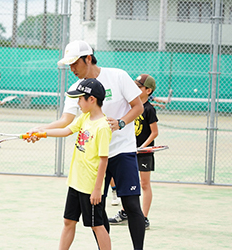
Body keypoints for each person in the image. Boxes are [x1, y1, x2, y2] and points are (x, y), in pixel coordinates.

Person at [28, 40, 146, 250]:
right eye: (69, 65)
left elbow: (138, 107)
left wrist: (121, 123)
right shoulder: (77, 89)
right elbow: (66, 122)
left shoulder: (118, 76)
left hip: (122, 151)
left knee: (131, 205)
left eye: (75, 63)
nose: (71, 69)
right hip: (94, 160)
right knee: (97, 213)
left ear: (88, 59)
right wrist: (39, 130)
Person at [37, 78, 112, 250]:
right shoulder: (84, 117)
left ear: (91, 99)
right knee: (69, 221)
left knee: (96, 225)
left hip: (90, 186)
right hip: (76, 182)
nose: (78, 103)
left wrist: (97, 189)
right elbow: (65, 131)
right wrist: (42, 132)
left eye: (80, 99)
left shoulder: (102, 127)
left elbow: (103, 160)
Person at [109, 74, 159, 230]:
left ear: (148, 90)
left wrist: (142, 147)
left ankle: (143, 217)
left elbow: (154, 132)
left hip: (144, 152)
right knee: (128, 183)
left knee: (144, 184)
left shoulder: (149, 109)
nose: (135, 89)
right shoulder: (130, 106)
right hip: (128, 150)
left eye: (139, 87)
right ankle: (125, 213)